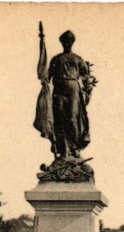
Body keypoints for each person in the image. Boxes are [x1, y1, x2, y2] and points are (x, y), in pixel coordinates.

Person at [48, 30, 91, 159]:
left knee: (73, 118)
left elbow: (86, 76)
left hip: (73, 90)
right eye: (65, 42)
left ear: (72, 43)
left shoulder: (78, 59)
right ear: (62, 43)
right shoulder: (56, 59)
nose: (67, 44)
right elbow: (47, 76)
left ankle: (75, 148)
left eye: (69, 42)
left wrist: (88, 87)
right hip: (59, 90)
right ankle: (64, 149)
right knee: (60, 118)